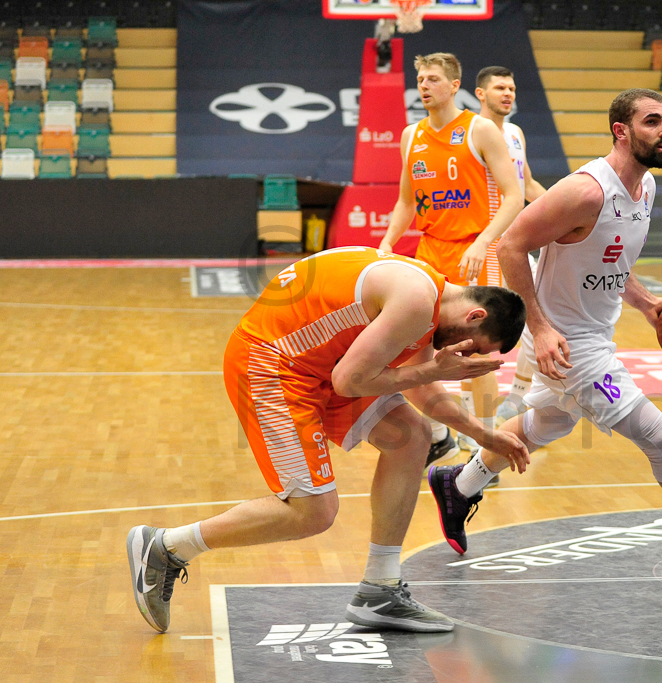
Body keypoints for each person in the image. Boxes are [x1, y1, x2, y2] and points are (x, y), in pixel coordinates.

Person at [427, 89, 662, 576]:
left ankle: (458, 485)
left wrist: (646, 305)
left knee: (549, 423)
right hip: (567, 343)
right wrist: (538, 328)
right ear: (621, 131)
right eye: (651, 122)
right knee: (658, 436)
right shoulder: (586, 191)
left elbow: (614, 258)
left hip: (595, 334)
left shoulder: (646, 189)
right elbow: (513, 245)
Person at [127, 246, 529, 635]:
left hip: (323, 367)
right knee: (314, 512)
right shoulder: (416, 301)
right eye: (473, 348)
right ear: (475, 315)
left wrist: (485, 437)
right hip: (272, 365)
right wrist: (429, 373)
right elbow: (351, 381)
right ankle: (166, 547)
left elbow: (423, 393)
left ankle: (381, 589)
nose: (460, 354)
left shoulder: (430, 299)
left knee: (411, 436)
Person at [379, 53, 524, 468]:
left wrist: (484, 242)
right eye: (420, 79)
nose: (424, 86)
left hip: (475, 252)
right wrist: (387, 245)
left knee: (476, 354)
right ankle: (442, 436)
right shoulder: (411, 136)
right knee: (416, 348)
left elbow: (514, 197)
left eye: (433, 79)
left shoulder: (479, 129)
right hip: (429, 252)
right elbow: (406, 202)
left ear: (454, 84)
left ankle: (483, 451)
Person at [472, 65, 548, 427]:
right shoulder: (471, 134)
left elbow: (527, 184)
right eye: (500, 87)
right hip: (482, 244)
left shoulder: (515, 132)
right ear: (479, 94)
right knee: (477, 332)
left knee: (541, 317)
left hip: (514, 245)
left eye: (512, 88)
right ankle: (473, 421)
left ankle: (516, 399)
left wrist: (564, 213)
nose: (508, 93)